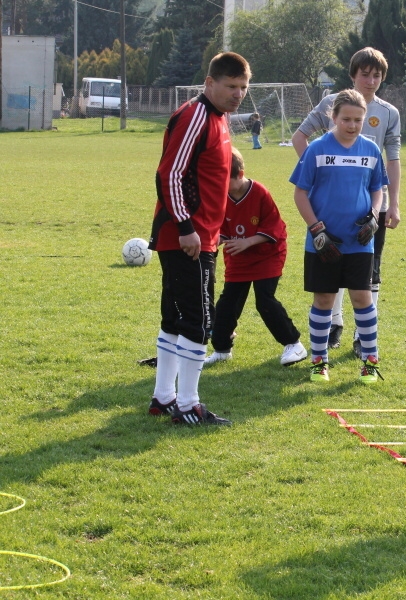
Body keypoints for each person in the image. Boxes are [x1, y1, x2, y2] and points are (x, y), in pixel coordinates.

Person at [147, 51, 251, 426]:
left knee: (175, 317)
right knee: (197, 320)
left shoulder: (219, 117)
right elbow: (169, 175)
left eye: (243, 87)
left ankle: (164, 397)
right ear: (210, 83)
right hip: (186, 237)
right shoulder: (196, 115)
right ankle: (188, 405)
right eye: (231, 86)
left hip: (200, 235)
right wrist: (186, 227)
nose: (238, 93)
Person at [291, 47, 401, 358]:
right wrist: (320, 173)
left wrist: (392, 203)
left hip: (369, 208)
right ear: (353, 75)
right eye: (365, 74)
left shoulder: (389, 113)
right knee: (330, 276)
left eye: (377, 75)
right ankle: (333, 327)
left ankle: (362, 341)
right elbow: (300, 138)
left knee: (367, 274)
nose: (371, 80)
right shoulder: (331, 103)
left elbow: (392, 161)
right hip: (328, 211)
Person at [289, 89, 387, 384]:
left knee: (362, 297)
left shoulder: (371, 150)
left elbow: (377, 189)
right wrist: (316, 229)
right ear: (333, 117)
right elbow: (300, 193)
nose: (352, 125)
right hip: (323, 242)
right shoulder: (317, 149)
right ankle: (319, 362)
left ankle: (370, 362)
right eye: (346, 119)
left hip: (359, 241)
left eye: (358, 120)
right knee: (324, 300)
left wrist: (374, 216)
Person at [203, 148, 307, 368]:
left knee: (264, 300)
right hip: (238, 257)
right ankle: (222, 349)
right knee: (228, 302)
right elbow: (219, 227)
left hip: (267, 254)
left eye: (224, 180)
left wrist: (247, 242)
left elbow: (274, 228)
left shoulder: (259, 192)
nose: (219, 186)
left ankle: (294, 344)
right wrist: (216, 240)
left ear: (240, 174)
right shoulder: (220, 196)